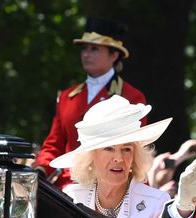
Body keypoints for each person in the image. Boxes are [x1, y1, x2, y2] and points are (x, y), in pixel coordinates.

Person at [35, 17, 147, 189]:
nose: (86, 54)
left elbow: (135, 150)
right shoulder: (67, 96)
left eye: (94, 49)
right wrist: (41, 170)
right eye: (84, 49)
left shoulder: (131, 96)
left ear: (114, 55)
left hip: (113, 187)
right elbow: (54, 144)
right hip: (68, 186)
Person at [50, 95, 171, 218]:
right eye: (109, 149)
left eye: (127, 149)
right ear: (90, 157)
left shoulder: (156, 203)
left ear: (134, 157)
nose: (119, 158)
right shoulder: (73, 198)